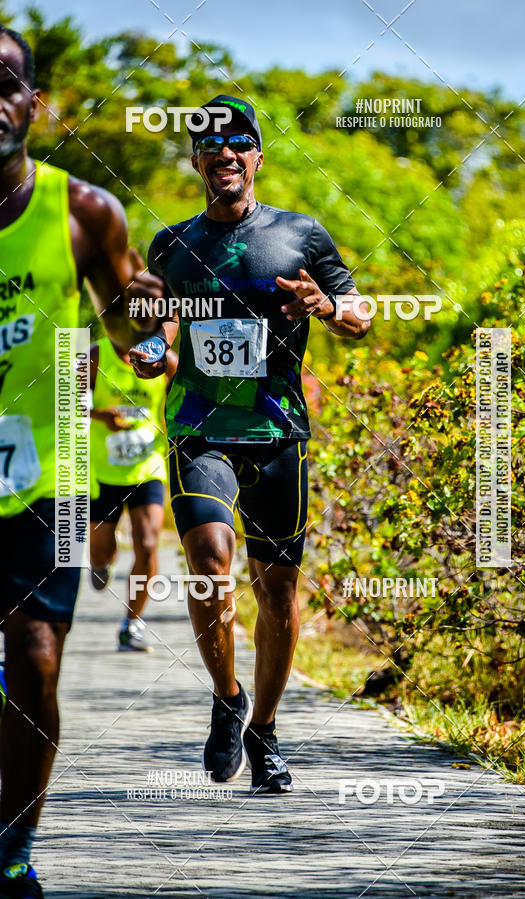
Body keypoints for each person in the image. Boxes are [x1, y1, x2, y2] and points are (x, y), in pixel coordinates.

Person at [131, 94, 370, 794]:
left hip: (277, 434)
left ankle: (263, 727)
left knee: (278, 591)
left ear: (256, 156)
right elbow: (162, 323)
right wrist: (149, 350)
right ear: (197, 160)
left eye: (239, 140)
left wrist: (325, 306)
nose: (225, 152)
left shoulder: (302, 236)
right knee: (209, 561)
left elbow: (359, 312)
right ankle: (225, 696)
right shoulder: (171, 244)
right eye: (211, 143)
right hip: (200, 428)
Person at [0, 23, 162, 898]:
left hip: (50, 472)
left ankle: (14, 853)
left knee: (39, 655)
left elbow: (128, 325)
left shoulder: (85, 212)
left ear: (33, 104)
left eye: (5, 86)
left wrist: (147, 329)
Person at [88, 336, 177, 652]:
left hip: (147, 467)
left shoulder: (167, 361)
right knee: (99, 551)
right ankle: (100, 564)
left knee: (148, 543)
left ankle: (132, 624)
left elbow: (186, 404)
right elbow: (66, 405)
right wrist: (102, 416)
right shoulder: (95, 356)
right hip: (102, 470)